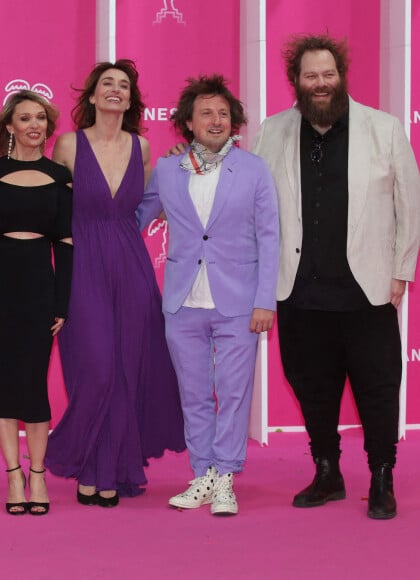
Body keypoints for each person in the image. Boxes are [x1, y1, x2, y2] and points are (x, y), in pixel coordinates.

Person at [252, 34, 420, 519]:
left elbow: (409, 204)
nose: (321, 83)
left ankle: (382, 476)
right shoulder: (273, 131)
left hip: (367, 290)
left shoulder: (383, 129)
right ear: (297, 82)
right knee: (311, 386)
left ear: (341, 76)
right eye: (311, 76)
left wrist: (401, 271)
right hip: (299, 290)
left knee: (379, 387)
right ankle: (327, 473)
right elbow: (252, 201)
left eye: (328, 74)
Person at [44, 59, 185, 506]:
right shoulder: (67, 144)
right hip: (81, 264)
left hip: (131, 266)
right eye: (107, 83)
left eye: (123, 85)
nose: (116, 90)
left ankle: (112, 470)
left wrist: (180, 170)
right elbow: (51, 209)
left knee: (126, 370)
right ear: (91, 96)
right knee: (97, 368)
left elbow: (141, 209)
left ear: (130, 98)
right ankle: (84, 458)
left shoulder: (142, 148)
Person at [137, 75, 279, 516]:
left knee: (234, 393)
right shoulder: (167, 168)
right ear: (188, 123)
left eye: (223, 113)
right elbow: (136, 218)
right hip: (181, 301)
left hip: (238, 302)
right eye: (206, 114)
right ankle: (202, 475)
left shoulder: (254, 169)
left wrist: (265, 301)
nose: (215, 120)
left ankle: (226, 479)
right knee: (194, 394)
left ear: (233, 122)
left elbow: (269, 236)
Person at [0, 91, 73, 516]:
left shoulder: (60, 175)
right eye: (25, 118)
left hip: (39, 288)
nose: (34, 125)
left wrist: (61, 303)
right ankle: (13, 475)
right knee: (1, 384)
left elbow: (65, 244)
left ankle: (39, 474)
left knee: (32, 384)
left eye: (41, 119)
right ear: (9, 127)